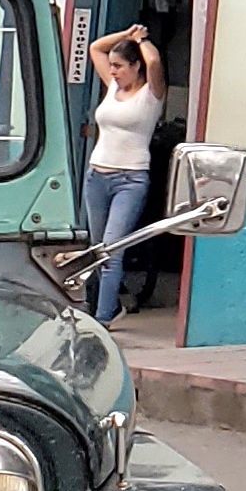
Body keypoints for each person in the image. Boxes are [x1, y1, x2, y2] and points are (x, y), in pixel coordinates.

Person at [83, 27, 163, 319]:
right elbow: (95, 48)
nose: (113, 71)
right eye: (112, 66)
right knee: (96, 249)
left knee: (111, 250)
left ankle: (102, 318)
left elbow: (154, 63)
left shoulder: (150, 95)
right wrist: (125, 33)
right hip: (97, 176)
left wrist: (141, 40)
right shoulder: (113, 88)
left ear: (135, 66)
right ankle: (107, 304)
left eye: (119, 66)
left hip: (130, 180)